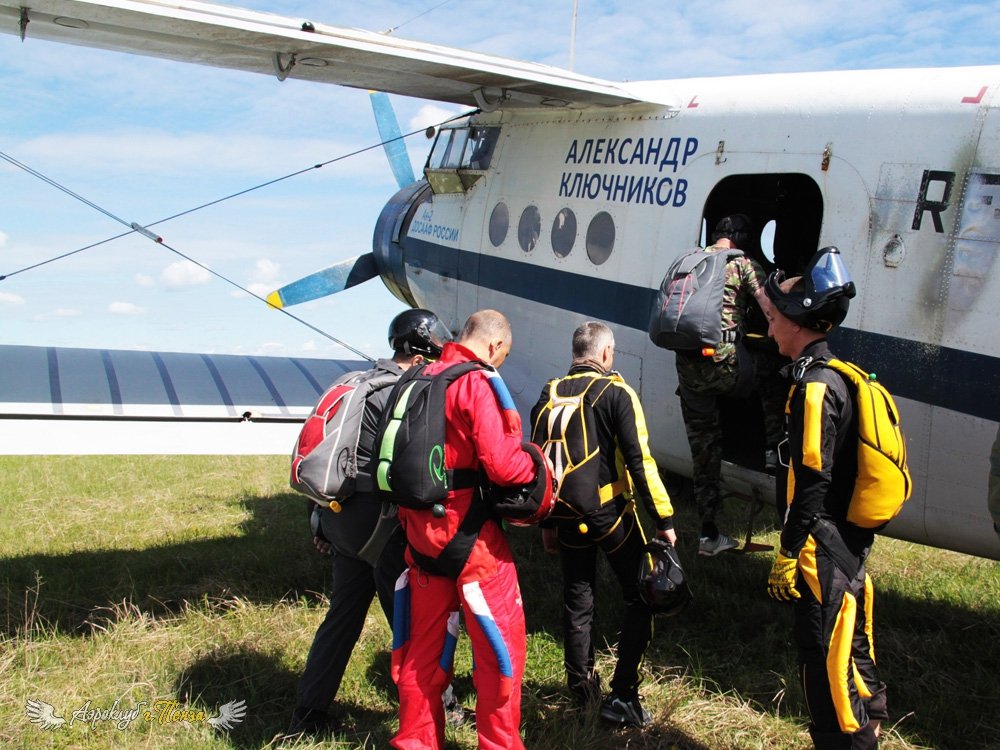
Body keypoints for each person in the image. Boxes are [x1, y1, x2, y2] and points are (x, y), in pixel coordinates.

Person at [288, 308, 454, 736]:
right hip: (382, 528)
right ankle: (436, 714)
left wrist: (320, 523)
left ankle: (309, 713)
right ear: (419, 355)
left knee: (342, 616)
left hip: (340, 520)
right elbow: (412, 472)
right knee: (417, 624)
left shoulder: (355, 384)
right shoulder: (405, 392)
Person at [391, 309, 544, 750]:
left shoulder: (416, 379)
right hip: (473, 544)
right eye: (503, 356)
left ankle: (416, 742)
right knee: (501, 658)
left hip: (420, 541)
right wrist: (536, 466)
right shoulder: (476, 383)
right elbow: (502, 465)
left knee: (419, 656)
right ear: (494, 346)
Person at [761, 248, 888, 749]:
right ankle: (870, 722)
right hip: (846, 544)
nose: (769, 330)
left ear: (796, 320)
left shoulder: (815, 388)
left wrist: (789, 552)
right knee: (853, 648)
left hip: (821, 551)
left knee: (824, 664)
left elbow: (811, 479)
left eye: (772, 319)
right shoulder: (839, 374)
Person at [531, 321, 677, 728]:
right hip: (610, 516)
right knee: (642, 596)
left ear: (577, 352)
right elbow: (640, 462)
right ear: (607, 353)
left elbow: (541, 466)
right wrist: (663, 518)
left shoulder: (549, 394)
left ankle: (582, 695)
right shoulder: (616, 392)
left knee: (578, 602)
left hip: (564, 515)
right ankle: (624, 695)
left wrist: (546, 522)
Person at [674, 213, 769, 556]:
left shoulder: (691, 261)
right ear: (741, 238)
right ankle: (774, 451)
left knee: (705, 451)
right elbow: (768, 308)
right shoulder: (743, 264)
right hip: (726, 369)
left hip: (689, 371)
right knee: (773, 374)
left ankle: (708, 534)